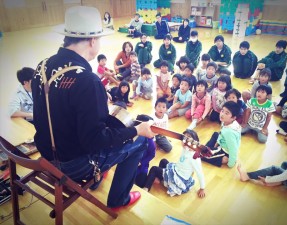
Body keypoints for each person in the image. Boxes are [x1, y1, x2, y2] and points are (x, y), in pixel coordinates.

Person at [31, 6, 155, 210]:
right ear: (92, 40)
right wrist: (136, 130)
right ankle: (118, 200)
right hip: (71, 166)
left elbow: (56, 106)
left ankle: (98, 178)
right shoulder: (87, 80)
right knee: (140, 141)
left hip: (45, 156)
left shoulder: (42, 66)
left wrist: (94, 99)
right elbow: (96, 141)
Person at [143, 129, 206, 198]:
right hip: (176, 170)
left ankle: (146, 189)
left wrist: (202, 188)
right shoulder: (186, 149)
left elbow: (200, 173)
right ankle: (160, 179)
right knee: (163, 161)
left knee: (154, 169)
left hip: (178, 178)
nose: (185, 141)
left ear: (194, 142)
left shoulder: (195, 157)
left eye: (188, 139)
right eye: (184, 138)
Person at [237, 131, 287, 196]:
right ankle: (279, 182)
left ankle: (246, 176)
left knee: (274, 169)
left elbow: (285, 175)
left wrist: (268, 179)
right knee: (285, 164)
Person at [202, 101, 241, 168]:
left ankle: (222, 158)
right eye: (222, 111)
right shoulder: (228, 122)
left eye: (227, 113)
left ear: (233, 117)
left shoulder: (229, 132)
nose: (222, 114)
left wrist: (231, 163)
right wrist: (217, 142)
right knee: (216, 134)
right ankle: (210, 149)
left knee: (202, 155)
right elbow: (221, 133)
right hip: (223, 143)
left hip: (225, 151)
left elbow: (233, 149)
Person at [134, 115, 156, 188]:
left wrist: (142, 162)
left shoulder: (150, 141)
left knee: (141, 183)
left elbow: (152, 154)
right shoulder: (134, 137)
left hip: (142, 166)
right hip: (131, 163)